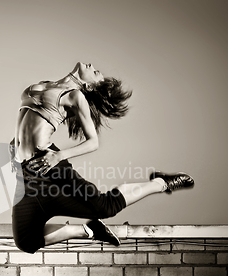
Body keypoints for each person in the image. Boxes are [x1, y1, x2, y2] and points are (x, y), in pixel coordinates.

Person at [11, 62, 194, 254]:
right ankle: (88, 230)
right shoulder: (46, 84)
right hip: (27, 172)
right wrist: (14, 148)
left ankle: (161, 183)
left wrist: (59, 156)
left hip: (50, 164)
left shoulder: (76, 96)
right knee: (25, 240)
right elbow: (27, 124)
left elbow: (93, 142)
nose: (93, 66)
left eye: (97, 73)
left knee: (105, 206)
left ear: (89, 87)